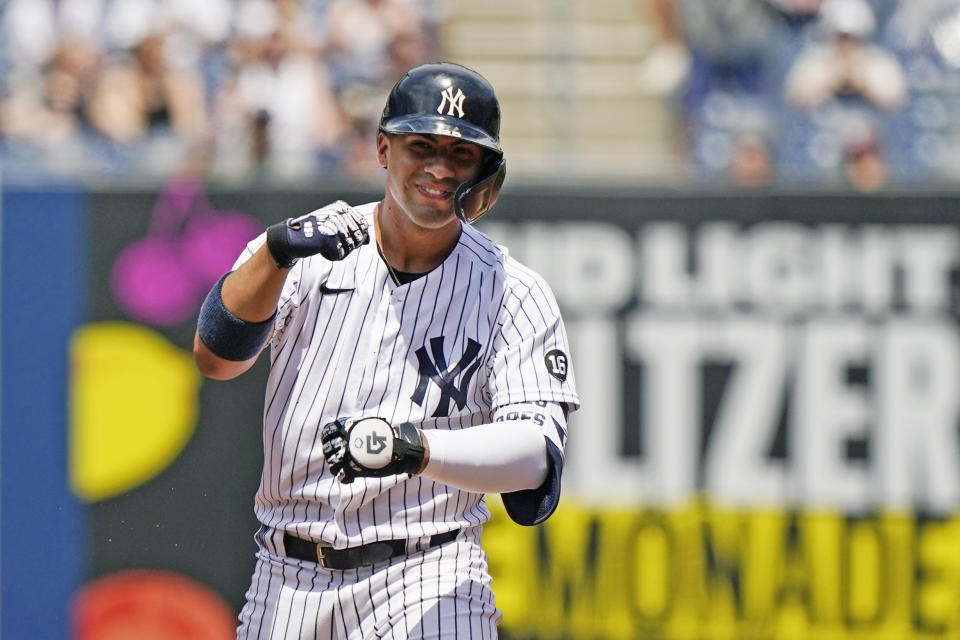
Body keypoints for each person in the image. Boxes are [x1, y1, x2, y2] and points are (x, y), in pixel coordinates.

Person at [193, 62, 580, 639]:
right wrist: (274, 253)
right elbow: (217, 359)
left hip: (431, 572)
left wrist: (416, 448)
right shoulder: (313, 245)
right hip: (288, 572)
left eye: (461, 153)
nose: (440, 168)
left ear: (486, 170)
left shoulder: (513, 290)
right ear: (382, 148)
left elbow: (534, 458)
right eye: (421, 145)